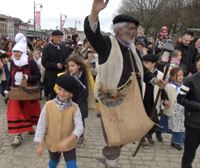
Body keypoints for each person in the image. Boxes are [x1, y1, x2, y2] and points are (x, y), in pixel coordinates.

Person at [84, 0, 166, 167]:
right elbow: (92, 34)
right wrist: (94, 12)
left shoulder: (133, 49)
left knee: (126, 132)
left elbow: (141, 71)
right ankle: (111, 162)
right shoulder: (107, 44)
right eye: (130, 28)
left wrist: (155, 80)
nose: (133, 32)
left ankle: (111, 157)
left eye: (134, 29)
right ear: (119, 29)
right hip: (111, 99)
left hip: (131, 100)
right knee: (113, 135)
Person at [34, 74, 84, 168]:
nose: (61, 93)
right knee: (53, 163)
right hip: (52, 142)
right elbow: (41, 125)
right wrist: (39, 144)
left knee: (72, 166)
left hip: (69, 145)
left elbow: (80, 127)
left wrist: (69, 139)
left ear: (71, 93)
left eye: (65, 91)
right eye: (60, 89)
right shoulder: (48, 105)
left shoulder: (75, 108)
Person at [4, 42, 41, 147]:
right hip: (16, 92)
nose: (16, 54)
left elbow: (38, 76)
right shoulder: (13, 62)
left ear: (23, 52)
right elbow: (11, 77)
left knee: (29, 111)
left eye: (19, 52)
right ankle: (18, 135)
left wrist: (28, 77)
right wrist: (7, 89)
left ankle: (30, 127)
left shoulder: (31, 63)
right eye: (15, 51)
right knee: (15, 113)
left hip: (28, 92)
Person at [177, 69, 200, 168]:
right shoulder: (189, 80)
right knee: (189, 154)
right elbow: (180, 99)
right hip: (194, 124)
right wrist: (198, 106)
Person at [42, 30, 71, 99]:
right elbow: (44, 62)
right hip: (51, 74)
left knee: (63, 91)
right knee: (53, 92)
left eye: (61, 37)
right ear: (52, 37)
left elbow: (68, 60)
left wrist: (64, 64)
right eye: (58, 37)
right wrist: (55, 65)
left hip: (62, 73)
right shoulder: (47, 48)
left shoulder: (64, 48)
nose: (60, 39)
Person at [164, 67, 185, 150]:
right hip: (172, 108)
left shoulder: (184, 86)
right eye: (178, 75)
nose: (181, 77)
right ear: (172, 76)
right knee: (169, 124)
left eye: (182, 75)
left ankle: (177, 140)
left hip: (181, 109)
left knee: (180, 125)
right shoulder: (169, 86)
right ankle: (159, 131)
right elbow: (165, 96)